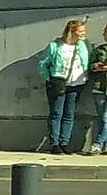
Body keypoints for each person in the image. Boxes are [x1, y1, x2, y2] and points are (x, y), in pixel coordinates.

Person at [38, 19, 92, 154]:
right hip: (58, 83)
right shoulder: (55, 46)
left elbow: (89, 61)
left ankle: (65, 142)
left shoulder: (84, 45)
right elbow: (42, 64)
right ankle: (55, 143)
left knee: (69, 114)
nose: (83, 34)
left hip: (77, 83)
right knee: (56, 113)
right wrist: (50, 78)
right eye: (80, 31)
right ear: (71, 32)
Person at [88, 24, 107, 156]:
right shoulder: (99, 50)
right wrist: (96, 66)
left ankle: (98, 143)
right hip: (99, 87)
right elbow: (89, 66)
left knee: (106, 117)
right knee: (102, 117)